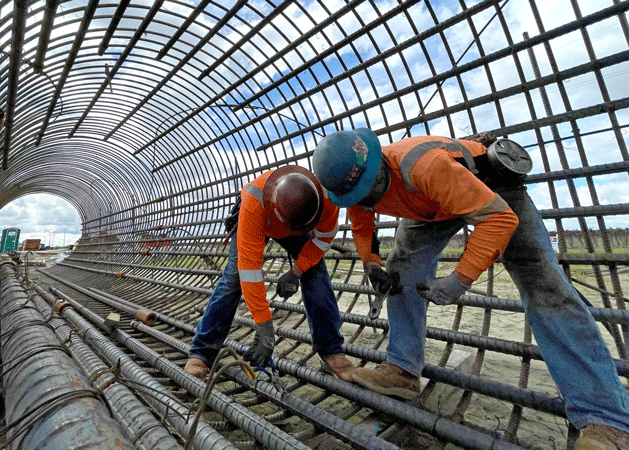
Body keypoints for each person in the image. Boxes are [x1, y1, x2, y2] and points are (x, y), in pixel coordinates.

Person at [311, 128, 629, 449]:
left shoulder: (423, 166)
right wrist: (371, 264)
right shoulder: (356, 189)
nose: (370, 199)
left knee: (544, 287)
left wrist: (459, 279)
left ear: (380, 164)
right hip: (429, 206)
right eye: (361, 196)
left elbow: (498, 219)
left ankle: (606, 419)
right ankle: (402, 370)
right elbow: (361, 223)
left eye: (372, 189)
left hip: (491, 190)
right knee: (400, 272)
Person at [184, 165, 355, 382]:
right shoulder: (254, 203)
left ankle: (332, 352)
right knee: (233, 278)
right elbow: (249, 270)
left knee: (315, 270)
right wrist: (264, 327)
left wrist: (296, 272)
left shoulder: (327, 202)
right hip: (262, 217)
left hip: (297, 221)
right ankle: (201, 352)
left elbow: (322, 241)